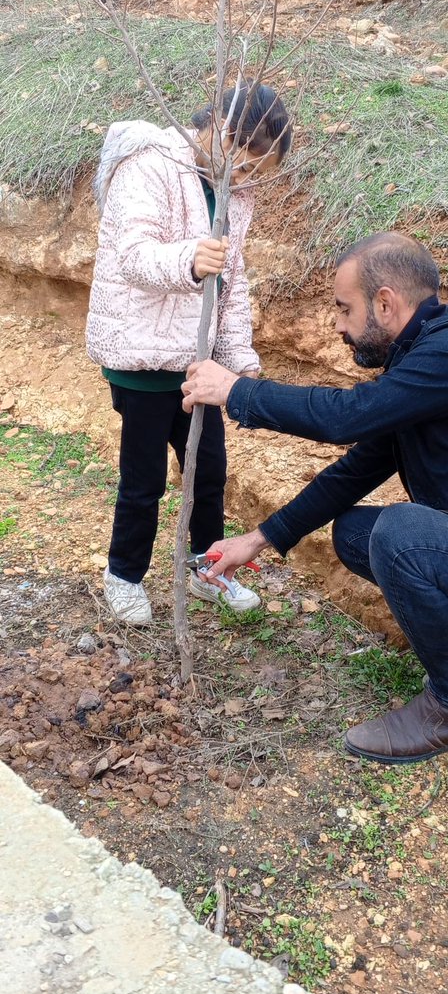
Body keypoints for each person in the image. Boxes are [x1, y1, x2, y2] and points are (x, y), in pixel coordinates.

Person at [181, 231, 448, 765]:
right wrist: (259, 538)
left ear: (385, 303)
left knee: (402, 536)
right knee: (356, 533)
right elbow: (359, 465)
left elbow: (349, 417)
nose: (339, 326)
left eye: (345, 309)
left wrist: (237, 392)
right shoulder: (426, 366)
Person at [86, 82, 291, 626]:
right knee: (145, 478)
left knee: (208, 471)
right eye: (244, 166)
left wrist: (238, 358)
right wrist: (188, 259)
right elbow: (131, 255)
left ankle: (209, 569)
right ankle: (124, 576)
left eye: (254, 174)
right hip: (145, 358)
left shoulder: (235, 194)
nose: (245, 180)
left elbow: (234, 280)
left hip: (198, 363)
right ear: (221, 134)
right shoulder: (151, 165)